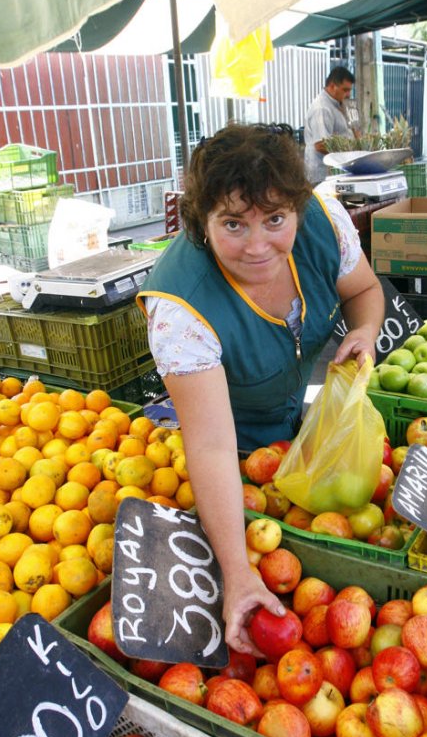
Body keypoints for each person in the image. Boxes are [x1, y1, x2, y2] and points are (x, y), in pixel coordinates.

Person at [137, 123, 384, 656]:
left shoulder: (323, 223)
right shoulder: (181, 308)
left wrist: (364, 331)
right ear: (201, 223)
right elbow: (210, 446)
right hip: (236, 469)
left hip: (299, 439)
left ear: (296, 207)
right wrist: (239, 572)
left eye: (275, 218)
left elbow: (364, 289)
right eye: (233, 224)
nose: (258, 245)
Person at [303, 66, 358, 186]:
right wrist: (349, 151)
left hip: (336, 173)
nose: (348, 94)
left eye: (350, 90)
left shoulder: (340, 104)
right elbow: (321, 145)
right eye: (345, 90)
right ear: (332, 86)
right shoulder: (322, 108)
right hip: (322, 176)